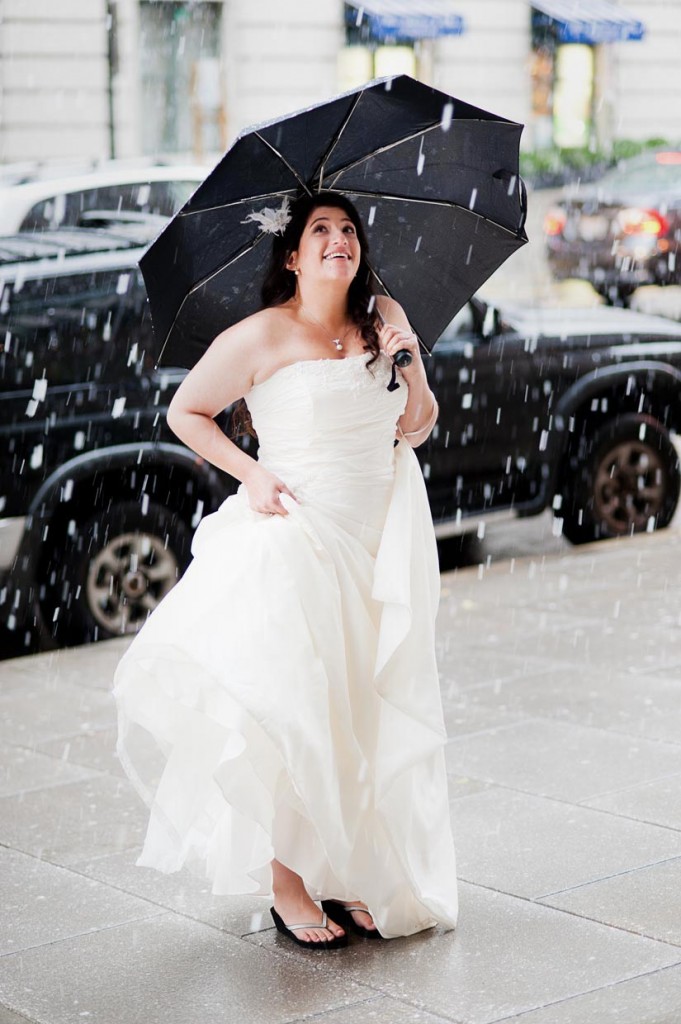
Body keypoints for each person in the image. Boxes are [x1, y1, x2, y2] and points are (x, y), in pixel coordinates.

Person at [113, 191, 458, 949]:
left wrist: (410, 364)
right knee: (297, 710)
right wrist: (249, 474)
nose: (339, 240)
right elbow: (186, 412)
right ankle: (287, 880)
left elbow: (416, 428)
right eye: (320, 231)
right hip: (296, 534)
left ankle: (346, 868)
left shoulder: (382, 319)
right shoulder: (261, 334)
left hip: (376, 543)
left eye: (348, 230)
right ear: (294, 257)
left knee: (360, 708)